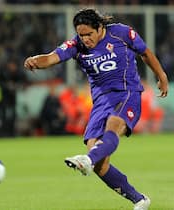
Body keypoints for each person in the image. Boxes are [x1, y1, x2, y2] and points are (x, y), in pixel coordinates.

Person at [24, 8, 168, 210]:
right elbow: (51, 58)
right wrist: (34, 61)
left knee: (113, 126)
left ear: (100, 28)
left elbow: (145, 52)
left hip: (127, 92)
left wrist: (161, 75)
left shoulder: (121, 33)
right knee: (100, 163)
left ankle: (86, 160)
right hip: (100, 102)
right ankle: (139, 200)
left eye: (88, 34)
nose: (85, 39)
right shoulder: (76, 44)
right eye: (81, 35)